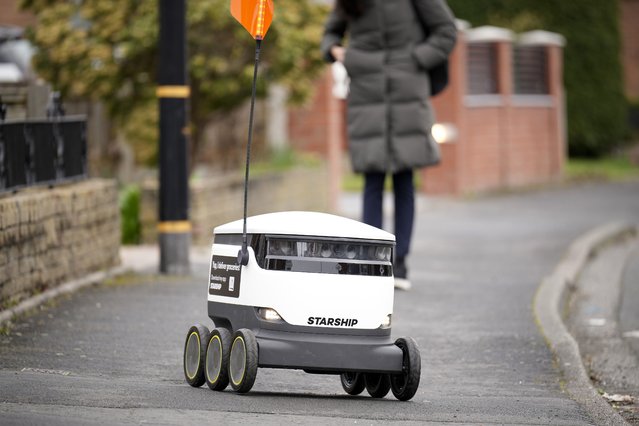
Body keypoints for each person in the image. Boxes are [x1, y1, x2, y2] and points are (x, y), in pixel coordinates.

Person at [322, 0, 457, 290]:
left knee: (404, 178)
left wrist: (417, 58)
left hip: (406, 91)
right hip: (366, 93)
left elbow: (446, 31)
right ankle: (372, 263)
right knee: (372, 178)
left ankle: (401, 264)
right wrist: (335, 50)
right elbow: (330, 33)